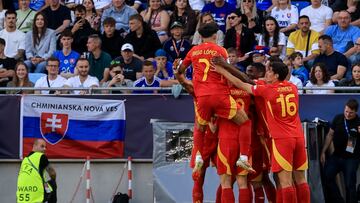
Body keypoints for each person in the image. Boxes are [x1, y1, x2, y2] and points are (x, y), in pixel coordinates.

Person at [213, 60, 310, 203]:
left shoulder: (267, 90)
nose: (267, 73)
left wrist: (223, 71)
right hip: (299, 137)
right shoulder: (293, 87)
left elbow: (242, 84)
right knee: (301, 180)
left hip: (281, 139)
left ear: (276, 75)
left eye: (269, 71)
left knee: (285, 182)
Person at [175, 22, 252, 177]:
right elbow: (227, 71)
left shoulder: (194, 51)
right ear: (215, 35)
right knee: (245, 121)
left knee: (200, 128)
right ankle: (243, 157)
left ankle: (197, 156)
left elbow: (180, 71)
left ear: (201, 36)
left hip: (202, 96)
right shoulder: (220, 50)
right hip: (219, 94)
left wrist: (183, 78)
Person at [321, 99, 360, 203]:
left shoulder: (358, 122)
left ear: (356, 111)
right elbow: (330, 135)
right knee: (327, 177)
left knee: (349, 185)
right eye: (346, 111)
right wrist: (323, 152)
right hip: (337, 156)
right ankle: (338, 200)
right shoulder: (338, 118)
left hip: (351, 159)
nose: (347, 114)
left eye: (351, 113)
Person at [16, 139, 57, 203]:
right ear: (34, 146)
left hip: (22, 198)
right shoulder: (41, 156)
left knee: (46, 183)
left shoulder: (24, 160)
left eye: (45, 147)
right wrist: (53, 180)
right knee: (52, 184)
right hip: (37, 196)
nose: (44, 149)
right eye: (42, 146)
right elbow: (52, 173)